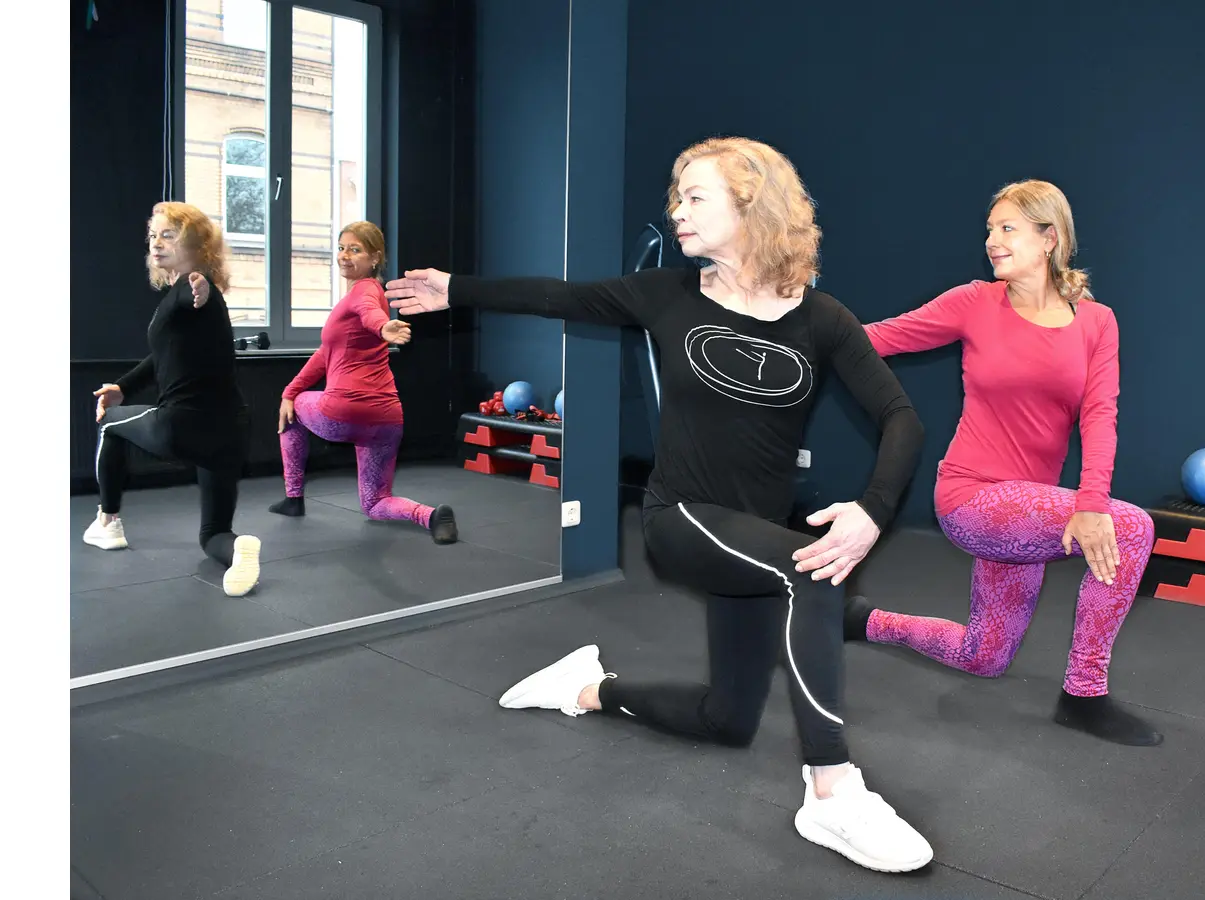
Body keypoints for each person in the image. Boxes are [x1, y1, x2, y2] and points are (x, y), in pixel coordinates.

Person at [385, 137, 934, 872]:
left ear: (751, 204)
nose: (676, 211)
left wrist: (871, 509)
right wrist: (455, 289)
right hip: (678, 520)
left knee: (727, 719)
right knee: (813, 570)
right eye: (676, 197)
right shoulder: (665, 296)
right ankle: (831, 792)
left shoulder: (822, 320)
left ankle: (583, 689)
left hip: (750, 538)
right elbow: (557, 295)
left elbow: (903, 420)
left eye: (694, 196)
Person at [843, 180, 1161, 746]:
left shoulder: (1096, 322)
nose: (991, 240)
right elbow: (876, 339)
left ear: (1049, 238)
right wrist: (779, 333)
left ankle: (864, 620)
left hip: (1027, 510)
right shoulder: (974, 302)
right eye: (990, 229)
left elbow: (1100, 418)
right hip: (972, 497)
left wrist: (1089, 503)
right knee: (1134, 528)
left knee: (983, 656)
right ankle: (1084, 695)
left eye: (1007, 228)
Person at [83, 201, 263, 598]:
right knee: (212, 533)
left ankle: (107, 522)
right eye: (153, 235)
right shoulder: (194, 299)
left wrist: (197, 288)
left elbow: (192, 296)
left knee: (110, 423)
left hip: (181, 427)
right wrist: (124, 387)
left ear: (197, 245)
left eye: (169, 235)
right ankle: (238, 551)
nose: (157, 243)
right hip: (230, 433)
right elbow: (161, 355)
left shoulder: (193, 288)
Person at [267, 221, 457, 544]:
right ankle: (431, 516)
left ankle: (294, 497)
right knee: (375, 502)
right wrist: (290, 390)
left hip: (342, 412)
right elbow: (325, 355)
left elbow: (370, 314)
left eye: (355, 250)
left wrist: (383, 328)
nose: (344, 256)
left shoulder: (365, 291)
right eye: (341, 248)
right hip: (386, 420)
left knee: (293, 411)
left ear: (374, 258)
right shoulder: (358, 296)